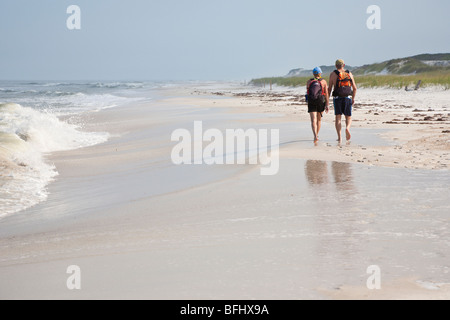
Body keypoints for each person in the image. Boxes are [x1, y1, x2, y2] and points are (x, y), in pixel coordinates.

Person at [328, 59, 357, 142]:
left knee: (338, 118)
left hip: (337, 98)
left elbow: (329, 88)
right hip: (348, 97)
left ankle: (339, 137)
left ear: (336, 66)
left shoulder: (333, 74)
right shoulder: (349, 73)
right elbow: (354, 88)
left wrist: (327, 100)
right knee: (348, 117)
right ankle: (347, 128)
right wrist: (353, 98)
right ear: (343, 65)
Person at [306, 67, 329, 143]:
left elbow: (308, 92)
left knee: (313, 120)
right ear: (320, 73)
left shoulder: (309, 81)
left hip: (311, 101)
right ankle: (316, 135)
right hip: (320, 101)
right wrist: (327, 105)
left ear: (313, 74)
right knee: (319, 120)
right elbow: (326, 94)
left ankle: (315, 135)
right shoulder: (323, 82)